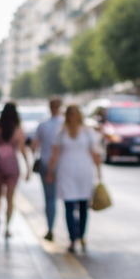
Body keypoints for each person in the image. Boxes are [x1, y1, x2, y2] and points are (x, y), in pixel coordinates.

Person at [46, 105, 101, 254]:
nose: (72, 117)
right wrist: (51, 171)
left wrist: (99, 171)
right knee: (69, 205)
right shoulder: (61, 133)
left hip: (83, 171)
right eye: (70, 114)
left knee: (83, 205)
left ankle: (81, 235)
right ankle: (72, 238)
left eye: (74, 113)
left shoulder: (88, 132)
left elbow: (94, 153)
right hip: (66, 171)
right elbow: (55, 154)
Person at [0, 103, 30, 238]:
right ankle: (7, 228)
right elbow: (22, 149)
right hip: (12, 165)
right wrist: (28, 167)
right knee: (10, 198)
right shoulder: (18, 129)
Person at [31, 98, 64, 241]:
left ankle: (50, 229)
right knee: (71, 200)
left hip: (47, 163)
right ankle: (75, 234)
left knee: (50, 199)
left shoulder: (43, 124)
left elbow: (34, 145)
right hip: (64, 165)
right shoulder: (65, 124)